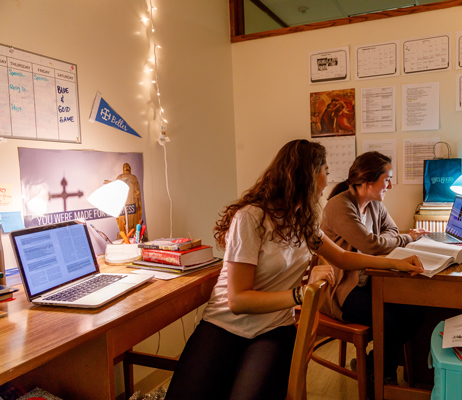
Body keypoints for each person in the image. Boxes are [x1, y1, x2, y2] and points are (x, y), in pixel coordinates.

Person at [165, 140, 424, 400]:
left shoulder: (303, 220)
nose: (328, 179)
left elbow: (344, 257)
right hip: (222, 325)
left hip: (273, 329)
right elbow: (238, 300)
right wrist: (301, 294)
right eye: (325, 170)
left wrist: (395, 263)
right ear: (307, 176)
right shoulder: (251, 218)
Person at [320, 151, 428, 382]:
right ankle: (382, 378)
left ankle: (370, 365)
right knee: (388, 321)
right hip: (341, 289)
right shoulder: (339, 206)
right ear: (368, 182)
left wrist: (393, 238)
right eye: (386, 179)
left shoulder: (374, 205)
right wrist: (407, 238)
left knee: (416, 313)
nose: (390, 185)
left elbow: (390, 231)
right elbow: (373, 245)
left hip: (369, 280)